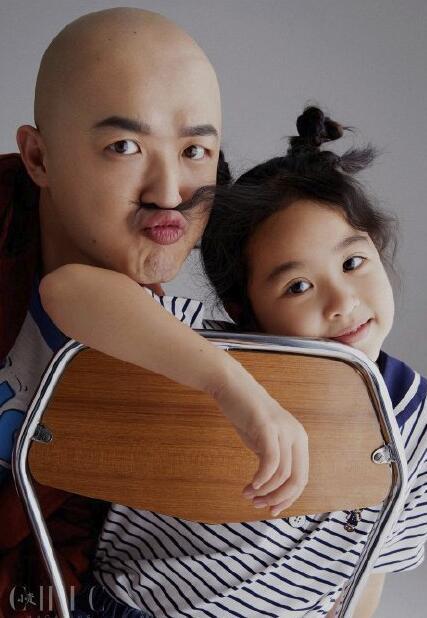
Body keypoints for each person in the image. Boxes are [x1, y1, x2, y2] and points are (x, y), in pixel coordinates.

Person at [0, 6, 309, 616]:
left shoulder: (186, 339)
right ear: (38, 158)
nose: (170, 193)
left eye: (196, 150)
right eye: (125, 146)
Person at [199, 106, 427, 617]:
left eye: (353, 262)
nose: (342, 301)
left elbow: (369, 572)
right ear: (243, 311)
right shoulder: (196, 359)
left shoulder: (414, 424)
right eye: (298, 286)